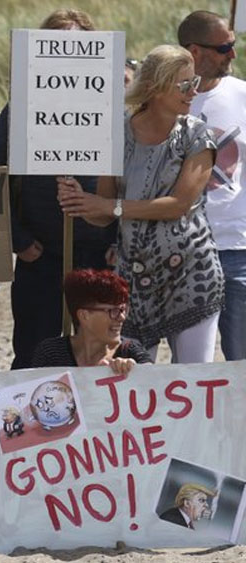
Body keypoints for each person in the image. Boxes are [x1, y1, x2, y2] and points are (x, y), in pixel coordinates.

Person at [58, 45, 223, 363]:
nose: (194, 92)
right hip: (132, 278)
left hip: (192, 274)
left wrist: (109, 207)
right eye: (185, 84)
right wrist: (79, 200)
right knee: (128, 373)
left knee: (192, 376)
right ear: (155, 87)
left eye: (196, 83)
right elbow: (102, 215)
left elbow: (178, 204)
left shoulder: (199, 136)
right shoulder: (116, 134)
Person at [0, 9, 115, 369]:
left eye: (76, 45)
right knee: (35, 352)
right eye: (56, 45)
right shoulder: (19, 110)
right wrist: (19, 241)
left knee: (98, 354)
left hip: (97, 254)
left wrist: (118, 241)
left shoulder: (110, 107)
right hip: (40, 257)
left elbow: (130, 181)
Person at [179, 11, 246, 362]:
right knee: (192, 367)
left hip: (238, 248)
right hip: (182, 250)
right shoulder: (163, 100)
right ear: (194, 51)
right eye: (224, 48)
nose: (233, 55)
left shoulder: (242, 95)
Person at [31, 269, 153, 371]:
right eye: (113, 311)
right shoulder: (50, 354)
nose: (122, 317)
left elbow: (157, 383)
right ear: (84, 315)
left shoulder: (131, 352)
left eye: (123, 309)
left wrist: (135, 373)